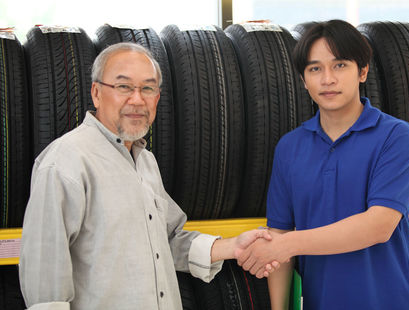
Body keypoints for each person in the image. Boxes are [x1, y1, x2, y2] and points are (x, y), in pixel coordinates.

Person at [19, 42, 275, 310]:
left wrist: (234, 246)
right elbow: (44, 279)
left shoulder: (146, 162)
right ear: (96, 93)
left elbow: (169, 240)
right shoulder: (65, 162)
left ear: (157, 98)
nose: (138, 99)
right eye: (124, 87)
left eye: (148, 88)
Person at [235, 20, 409, 309]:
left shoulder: (396, 137)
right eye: (315, 69)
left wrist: (288, 244)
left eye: (340, 65)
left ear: (362, 71)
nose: (327, 79)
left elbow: (378, 226)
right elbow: (280, 234)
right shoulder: (290, 148)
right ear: (303, 79)